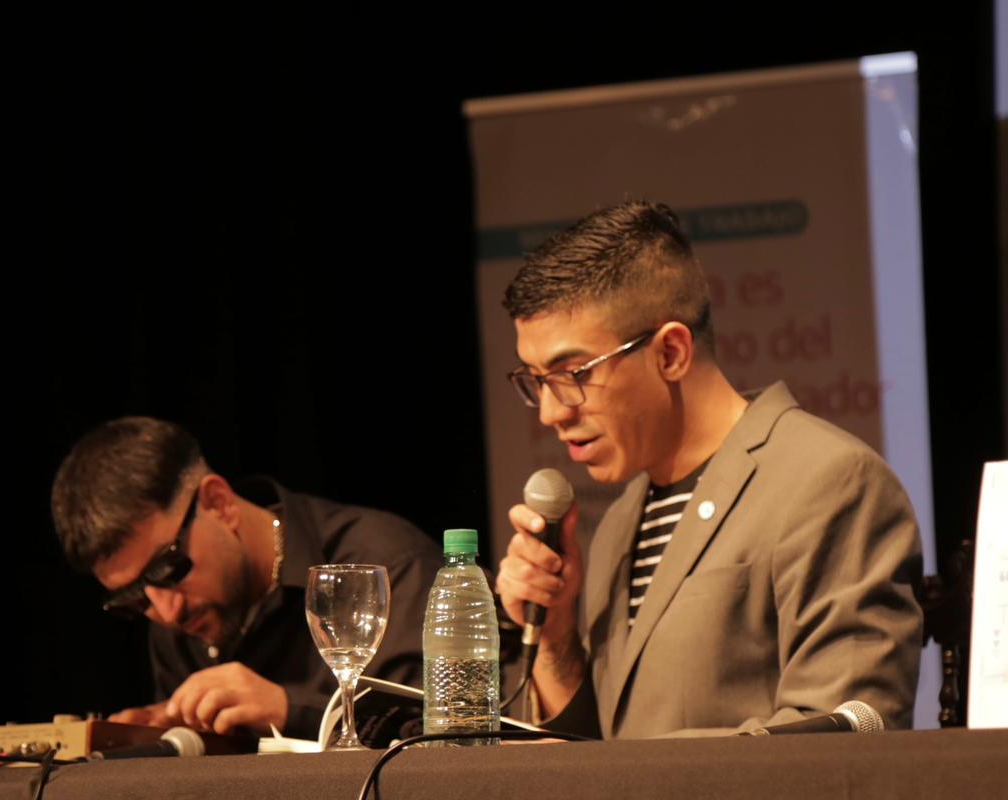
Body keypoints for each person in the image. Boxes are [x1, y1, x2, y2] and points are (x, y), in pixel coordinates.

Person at [495, 200, 923, 738]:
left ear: (671, 353)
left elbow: (846, 739)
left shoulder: (832, 482)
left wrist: (636, 774)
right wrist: (556, 638)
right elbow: (594, 754)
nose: (551, 412)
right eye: (537, 381)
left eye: (573, 374)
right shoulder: (620, 523)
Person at [51, 417, 443, 740]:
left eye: (168, 569)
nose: (166, 613)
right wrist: (169, 734)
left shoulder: (385, 563)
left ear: (218, 503)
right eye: (134, 598)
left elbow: (437, 732)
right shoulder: (176, 616)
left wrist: (288, 709)